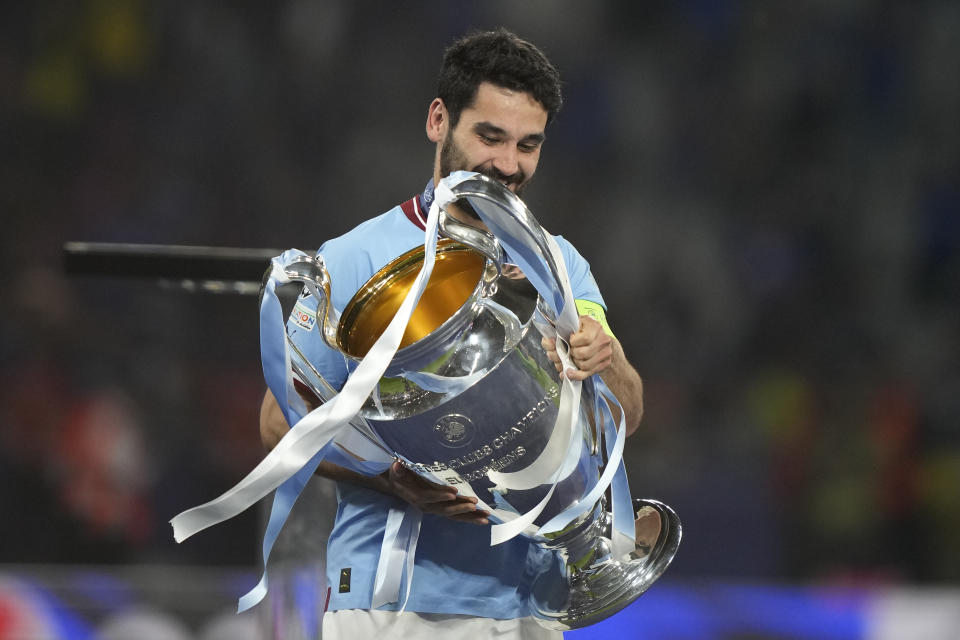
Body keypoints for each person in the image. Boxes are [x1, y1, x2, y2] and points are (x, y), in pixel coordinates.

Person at [259, 28, 645, 639]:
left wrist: (611, 359)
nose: (508, 165)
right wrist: (391, 478)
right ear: (439, 120)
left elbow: (621, 415)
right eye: (489, 137)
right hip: (395, 602)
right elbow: (279, 421)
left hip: (533, 602)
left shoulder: (560, 264)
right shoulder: (357, 257)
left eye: (528, 145)